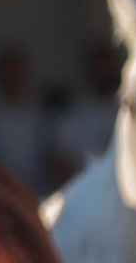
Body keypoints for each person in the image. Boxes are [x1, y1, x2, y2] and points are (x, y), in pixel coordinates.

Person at [0, 41, 50, 191]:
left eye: (15, 71)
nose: (11, 78)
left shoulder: (40, 115)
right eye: (6, 72)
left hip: (39, 192)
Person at [47, 37, 123, 186]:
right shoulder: (74, 117)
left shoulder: (131, 108)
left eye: (108, 64)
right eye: (99, 66)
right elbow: (60, 164)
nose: (104, 72)